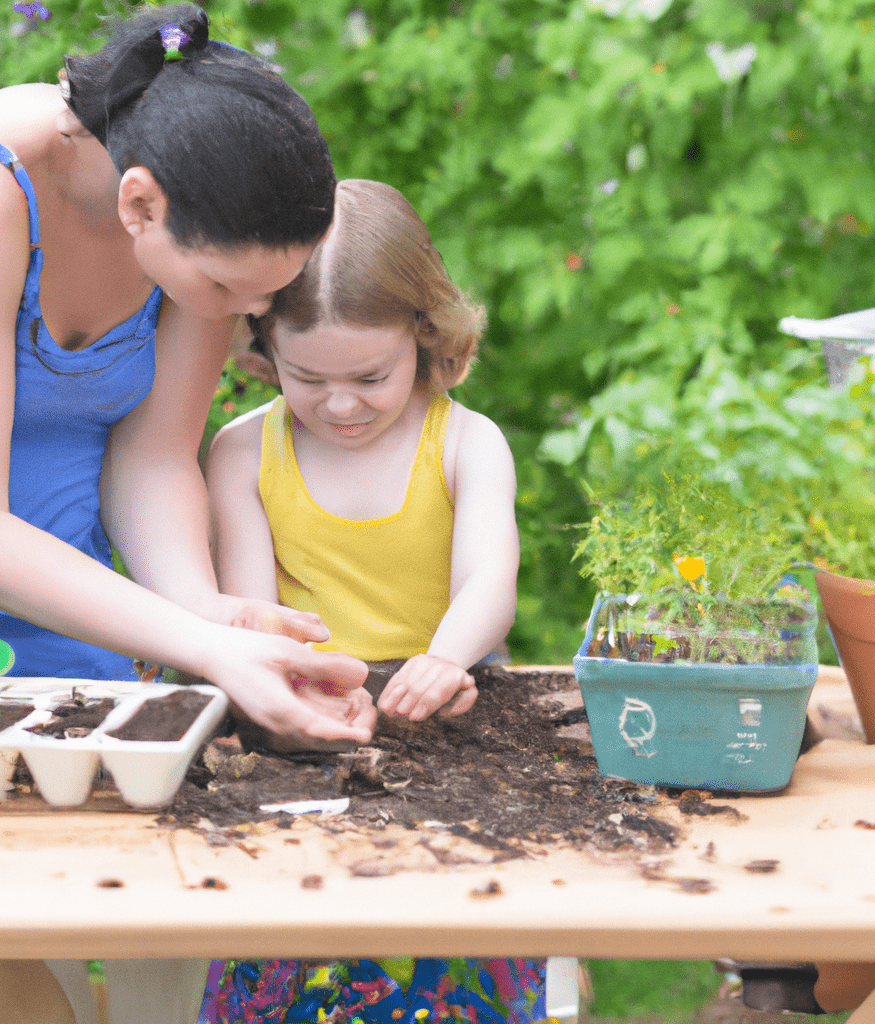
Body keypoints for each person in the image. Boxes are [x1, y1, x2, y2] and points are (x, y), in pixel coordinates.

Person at [0, 5, 372, 1021]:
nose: (240, 315)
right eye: (227, 287)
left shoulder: (192, 229)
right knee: (32, 1007)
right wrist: (198, 639)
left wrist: (212, 620)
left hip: (81, 640)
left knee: (161, 980)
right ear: (141, 203)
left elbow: (152, 462)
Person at [204, 179, 546, 1022]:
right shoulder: (241, 451)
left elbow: (487, 583)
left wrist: (444, 658)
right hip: (300, 727)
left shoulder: (468, 441)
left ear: (426, 338)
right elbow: (253, 614)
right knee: (295, 971)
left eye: (370, 375)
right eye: (306, 378)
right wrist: (302, 692)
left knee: (461, 962)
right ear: (264, 345)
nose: (342, 404)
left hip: (453, 708)